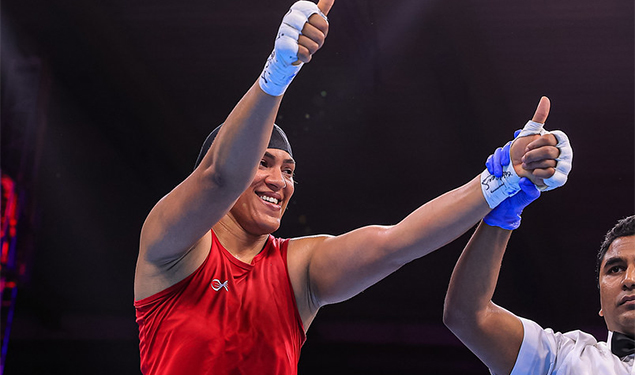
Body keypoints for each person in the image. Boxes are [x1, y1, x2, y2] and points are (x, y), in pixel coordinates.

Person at [133, 1, 573, 374]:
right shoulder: (171, 247)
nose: (279, 181)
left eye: (288, 170)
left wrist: (500, 180)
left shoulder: (297, 269)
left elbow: (398, 243)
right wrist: (277, 74)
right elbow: (221, 177)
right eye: (263, 163)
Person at [443, 176, 634, 373]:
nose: (629, 279)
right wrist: (502, 216)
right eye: (615, 269)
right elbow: (468, 315)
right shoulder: (563, 357)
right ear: (601, 303)